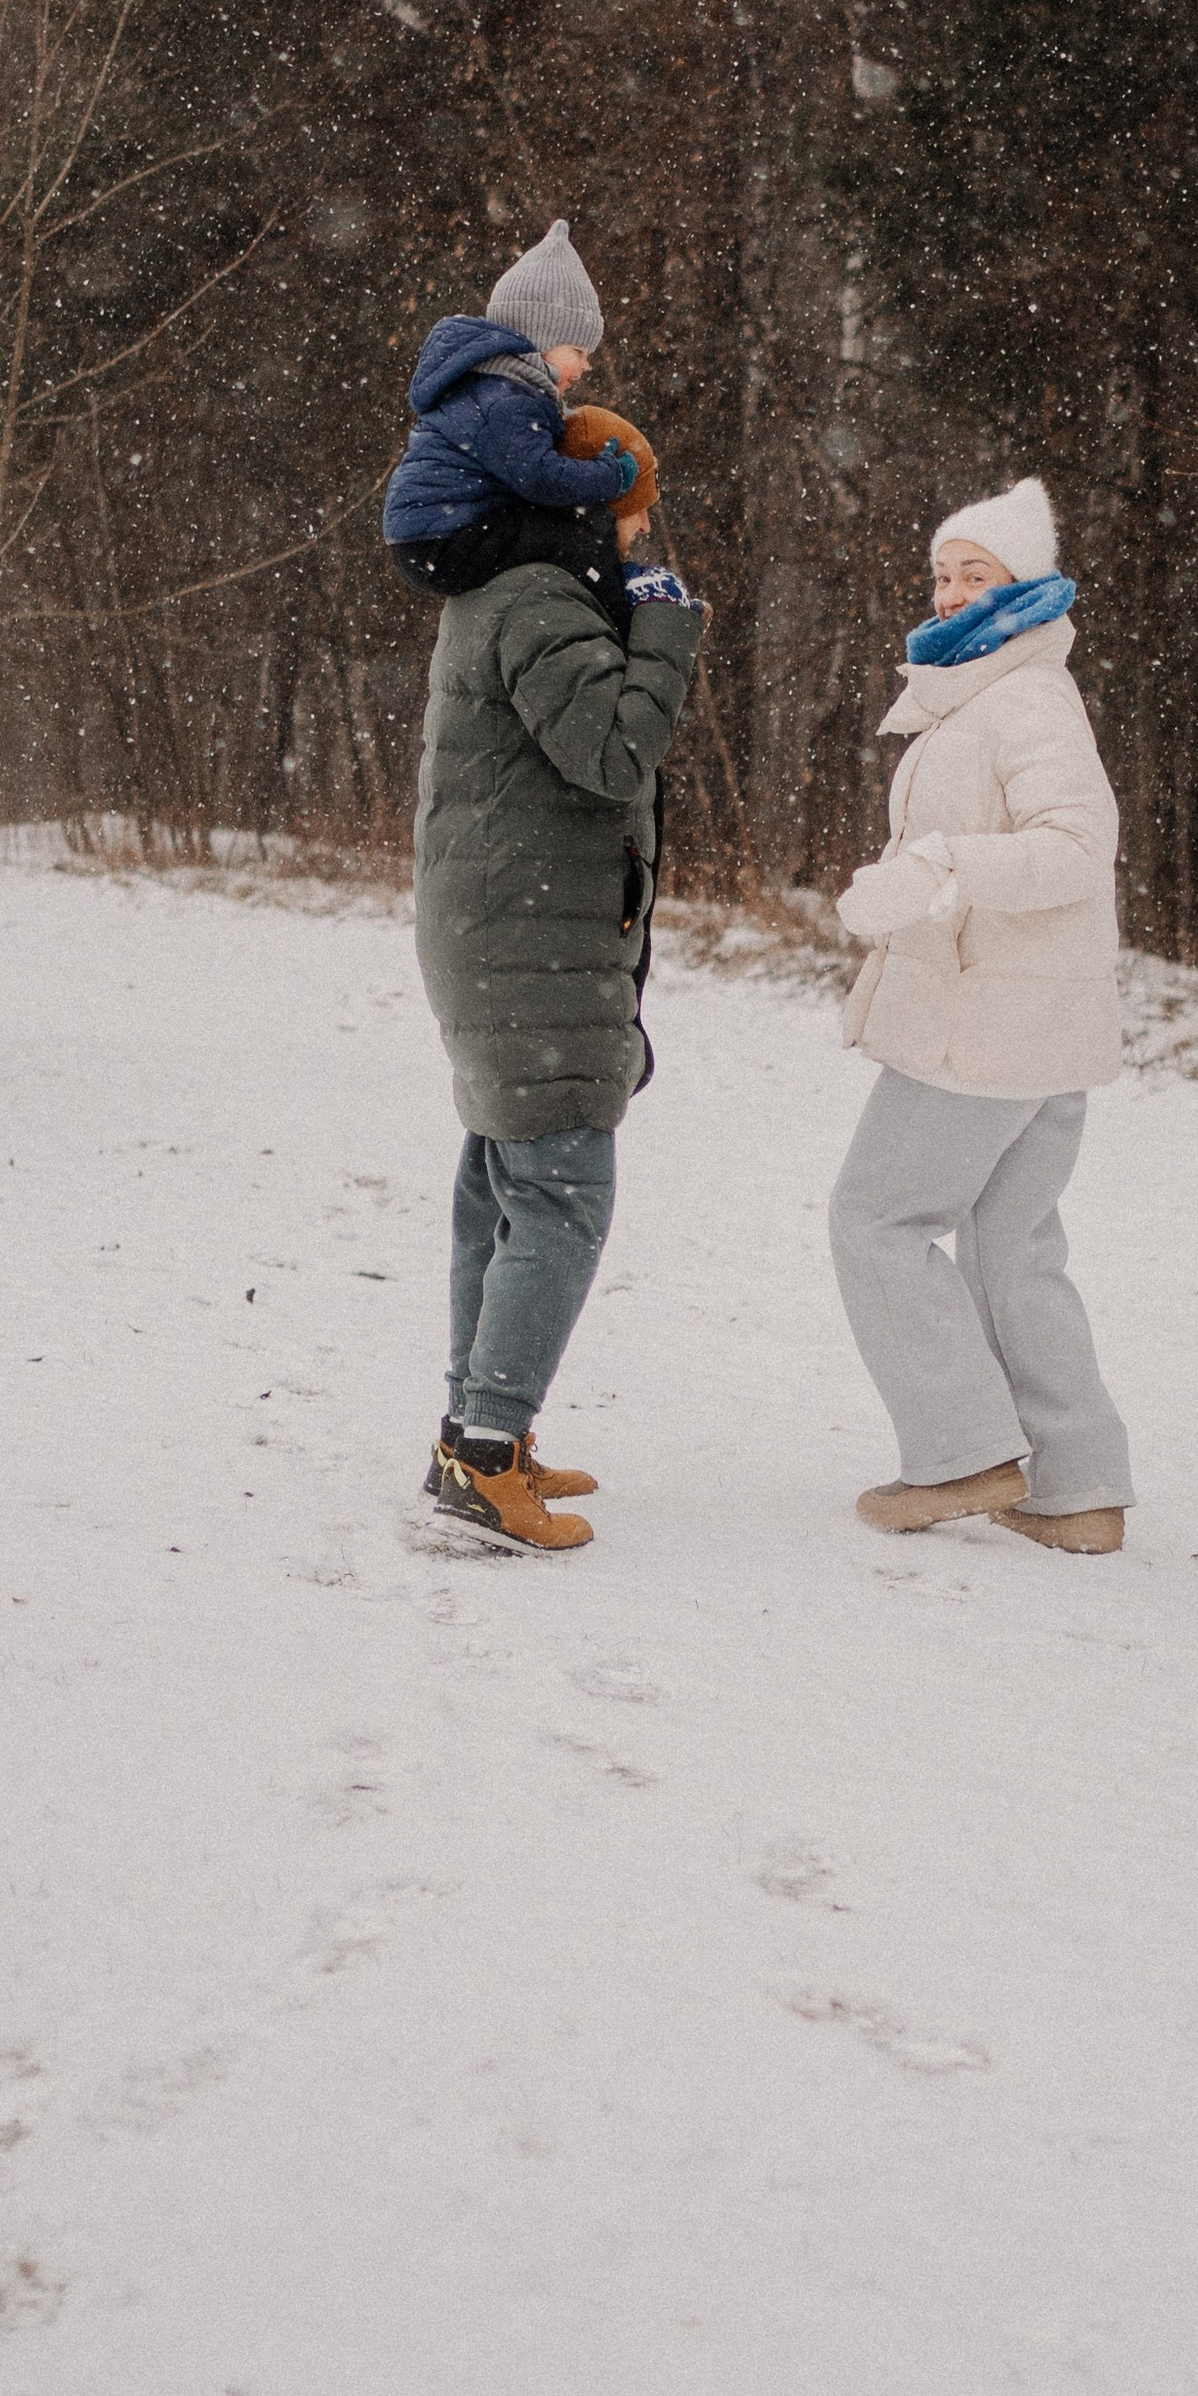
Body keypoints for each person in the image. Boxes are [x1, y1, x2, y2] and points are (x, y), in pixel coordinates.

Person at [410, 387, 704, 1554]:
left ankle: (475, 1432)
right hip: (531, 945)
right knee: (562, 1190)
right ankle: (485, 1455)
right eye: (633, 523)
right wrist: (666, 632)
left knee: (501, 1184)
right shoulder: (539, 598)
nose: (639, 542)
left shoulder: (513, 589)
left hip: (507, 935)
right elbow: (611, 752)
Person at [827, 476, 1134, 1555]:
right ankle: (1078, 1488)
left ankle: (959, 1453)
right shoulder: (987, 691)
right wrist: (920, 879)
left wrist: (944, 867)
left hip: (989, 1026)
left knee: (876, 1220)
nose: (953, 593)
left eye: (978, 575)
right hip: (1037, 1026)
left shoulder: (1025, 700)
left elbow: (1073, 847)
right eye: (943, 574)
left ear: (1030, 588)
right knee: (1011, 1245)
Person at [383, 219, 638, 605]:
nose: (586, 367)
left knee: (563, 532)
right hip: (443, 539)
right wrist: (609, 475)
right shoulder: (507, 398)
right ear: (541, 341)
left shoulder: (498, 385)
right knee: (574, 543)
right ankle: (626, 621)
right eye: (579, 352)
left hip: (434, 534)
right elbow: (540, 478)